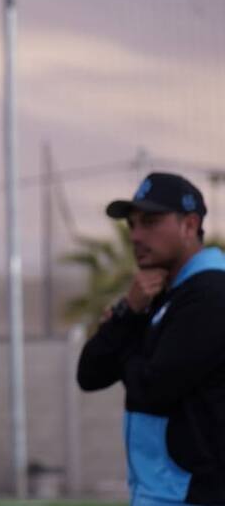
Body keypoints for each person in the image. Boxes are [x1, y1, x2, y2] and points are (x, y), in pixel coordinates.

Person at [77, 172, 225, 506]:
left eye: (151, 222)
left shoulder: (211, 295)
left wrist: (124, 334)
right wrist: (128, 311)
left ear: (189, 225)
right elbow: (89, 374)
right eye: (132, 225)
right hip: (160, 493)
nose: (137, 236)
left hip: (193, 495)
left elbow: (151, 388)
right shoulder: (161, 294)